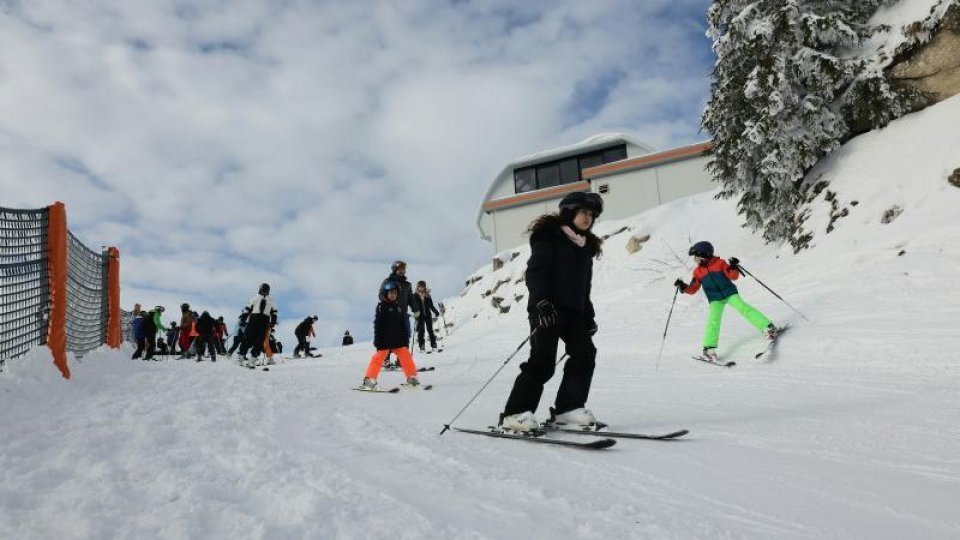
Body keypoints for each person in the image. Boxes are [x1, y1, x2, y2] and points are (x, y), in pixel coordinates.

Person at [499, 192, 604, 432]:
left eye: (591, 214)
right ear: (569, 212)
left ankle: (568, 409)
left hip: (574, 311)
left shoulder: (584, 247)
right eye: (583, 212)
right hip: (546, 307)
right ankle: (514, 414)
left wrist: (588, 316)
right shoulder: (549, 237)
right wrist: (541, 303)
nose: (588, 218)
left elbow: (583, 288)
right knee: (543, 362)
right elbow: (536, 272)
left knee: (585, 353)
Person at [674, 241, 781, 362]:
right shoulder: (697, 272)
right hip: (715, 299)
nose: (695, 260)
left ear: (704, 256)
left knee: (743, 308)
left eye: (696, 257)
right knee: (713, 321)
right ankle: (709, 350)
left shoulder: (720, 263)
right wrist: (683, 287)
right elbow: (693, 289)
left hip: (729, 293)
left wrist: (733, 267)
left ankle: (769, 328)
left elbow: (733, 276)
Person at [360, 281, 420, 389]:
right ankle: (369, 379)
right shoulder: (381, 307)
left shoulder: (398, 308)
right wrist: (378, 340)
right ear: (386, 293)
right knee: (378, 359)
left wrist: (405, 340)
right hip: (385, 340)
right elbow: (378, 325)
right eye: (391, 293)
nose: (393, 295)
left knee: (406, 356)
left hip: (398, 340)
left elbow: (402, 326)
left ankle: (411, 377)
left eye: (395, 293)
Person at [237, 283, 278, 366]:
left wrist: (273, 321)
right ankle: (241, 357)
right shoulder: (255, 299)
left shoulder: (271, 301)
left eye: (266, 291)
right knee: (248, 338)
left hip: (264, 321)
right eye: (263, 290)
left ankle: (253, 359)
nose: (264, 292)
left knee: (259, 341)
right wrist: (243, 319)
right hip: (254, 320)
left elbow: (274, 312)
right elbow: (247, 309)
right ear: (260, 289)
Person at [410, 280, 441, 353]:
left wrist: (436, 311)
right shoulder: (415, 295)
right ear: (418, 287)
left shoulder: (428, 295)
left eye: (423, 287)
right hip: (419, 315)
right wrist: (415, 312)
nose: (421, 288)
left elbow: (431, 305)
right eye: (420, 286)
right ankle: (422, 346)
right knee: (421, 330)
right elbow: (413, 305)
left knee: (430, 329)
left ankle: (434, 345)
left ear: (424, 287)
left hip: (427, 314)